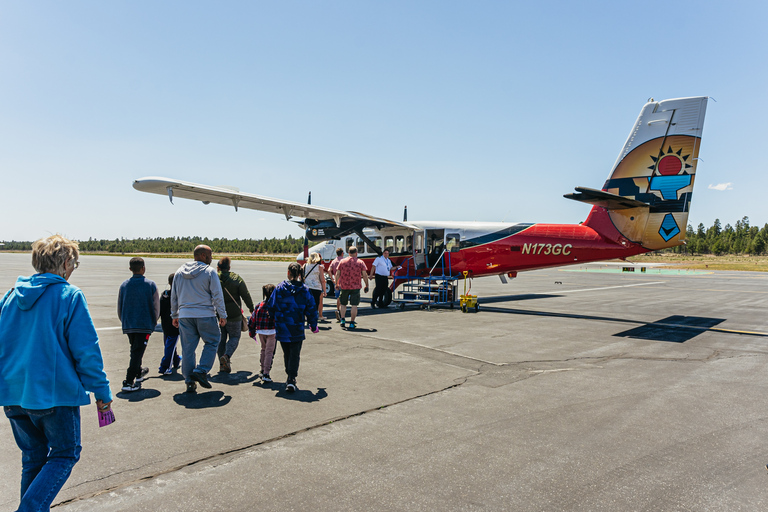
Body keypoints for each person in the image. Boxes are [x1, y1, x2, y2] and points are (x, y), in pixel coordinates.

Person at [0, 235, 113, 512]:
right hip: (53, 396)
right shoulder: (69, 295)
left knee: (33, 459)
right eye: (74, 263)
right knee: (65, 454)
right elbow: (87, 351)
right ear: (65, 263)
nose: (73, 269)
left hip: (13, 395)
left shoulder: (10, 296)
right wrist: (102, 392)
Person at [171, 245, 227, 393]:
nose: (211, 258)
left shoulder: (179, 272)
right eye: (210, 255)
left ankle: (189, 381)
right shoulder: (209, 272)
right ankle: (201, 370)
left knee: (188, 349)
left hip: (185, 316)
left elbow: (174, 296)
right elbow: (217, 296)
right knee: (213, 340)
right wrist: (222, 315)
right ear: (202, 255)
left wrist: (174, 314)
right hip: (205, 314)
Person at [267, 263, 319, 392]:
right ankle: (291, 378)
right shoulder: (305, 290)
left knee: (287, 353)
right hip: (296, 327)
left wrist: (273, 318)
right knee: (295, 354)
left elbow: (271, 306)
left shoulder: (279, 288)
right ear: (300, 274)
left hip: (282, 327)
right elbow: (311, 309)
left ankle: (289, 375)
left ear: (288, 272)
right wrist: (313, 324)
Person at [117, 257, 160, 392]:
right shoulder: (150, 285)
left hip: (129, 324)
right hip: (144, 324)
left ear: (130, 269)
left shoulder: (124, 285)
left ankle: (139, 372)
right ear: (143, 268)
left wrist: (123, 320)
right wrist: (154, 321)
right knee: (137, 351)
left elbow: (119, 306)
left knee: (135, 349)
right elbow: (156, 307)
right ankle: (129, 381)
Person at [216, 257, 255, 373]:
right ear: (229, 268)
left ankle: (222, 364)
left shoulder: (214, 279)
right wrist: (252, 309)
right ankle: (226, 357)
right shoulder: (237, 279)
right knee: (234, 337)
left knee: (221, 340)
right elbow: (245, 295)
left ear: (218, 268)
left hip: (218, 314)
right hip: (234, 315)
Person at [335, 246, 369, 329]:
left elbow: (337, 273)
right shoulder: (360, 262)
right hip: (356, 287)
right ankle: (352, 322)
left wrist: (336, 283)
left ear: (348, 253)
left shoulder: (342, 262)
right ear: (356, 253)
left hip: (344, 286)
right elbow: (364, 275)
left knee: (343, 304)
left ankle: (342, 320)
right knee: (354, 305)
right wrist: (366, 284)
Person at [248, 284, 277, 383]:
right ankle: (266, 373)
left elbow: (252, 320)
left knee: (263, 350)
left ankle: (262, 369)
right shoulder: (275, 306)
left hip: (261, 331)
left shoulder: (259, 305)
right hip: (272, 331)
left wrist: (251, 331)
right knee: (269, 352)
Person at [158, 273, 181, 374]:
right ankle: (165, 366)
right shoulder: (180, 295)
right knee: (170, 345)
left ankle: (175, 360)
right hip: (175, 325)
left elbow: (159, 310)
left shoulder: (165, 294)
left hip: (165, 324)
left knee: (168, 344)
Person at [303, 252, 326, 322]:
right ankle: (312, 319)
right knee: (315, 304)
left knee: (306, 302)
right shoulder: (320, 267)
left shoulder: (305, 265)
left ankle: (306, 316)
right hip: (316, 288)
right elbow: (322, 280)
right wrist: (324, 290)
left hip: (306, 287)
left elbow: (301, 277)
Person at [328, 247, 345, 322]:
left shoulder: (334, 261)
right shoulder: (344, 261)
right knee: (343, 298)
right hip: (344, 282)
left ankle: (338, 310)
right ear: (342, 253)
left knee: (338, 297)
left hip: (336, 282)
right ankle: (341, 313)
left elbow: (329, 270)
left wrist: (332, 279)